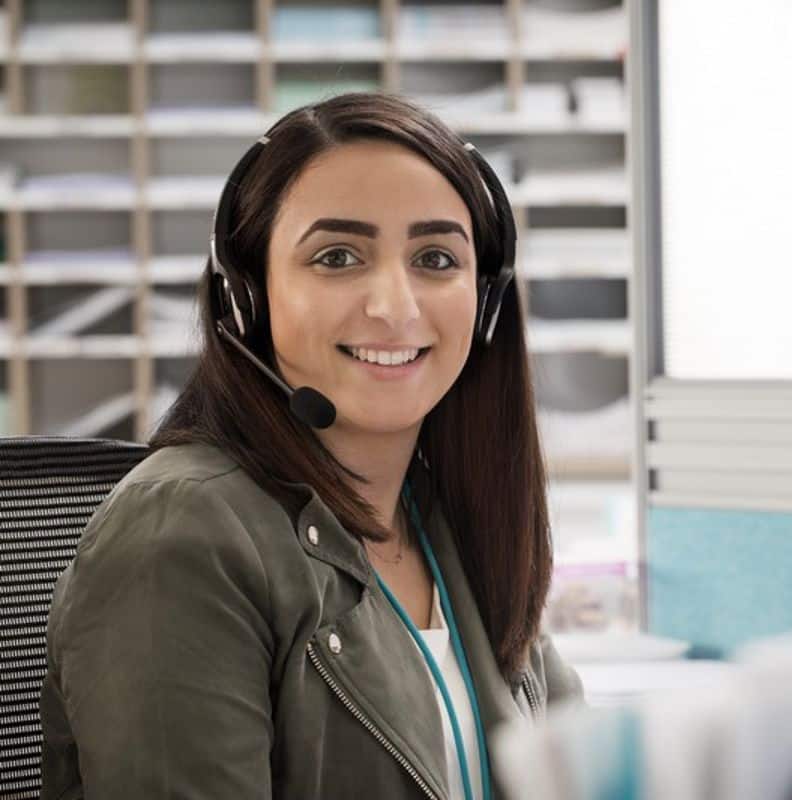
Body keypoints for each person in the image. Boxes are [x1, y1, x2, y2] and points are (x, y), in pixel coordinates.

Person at [39, 92, 583, 800]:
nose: (395, 305)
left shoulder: (451, 524)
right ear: (248, 296)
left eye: (436, 258)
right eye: (337, 256)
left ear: (484, 303)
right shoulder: (183, 533)